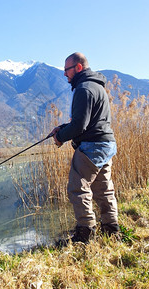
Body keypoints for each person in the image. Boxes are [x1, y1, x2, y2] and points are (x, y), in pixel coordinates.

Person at [50, 52, 120, 244]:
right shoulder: (97, 87)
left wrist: (60, 137)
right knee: (104, 188)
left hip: (92, 146)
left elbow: (80, 126)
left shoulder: (83, 89)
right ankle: (111, 229)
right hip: (106, 144)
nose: (65, 74)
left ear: (78, 67)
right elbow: (90, 122)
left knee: (77, 188)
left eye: (67, 69)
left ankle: (85, 232)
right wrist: (64, 128)